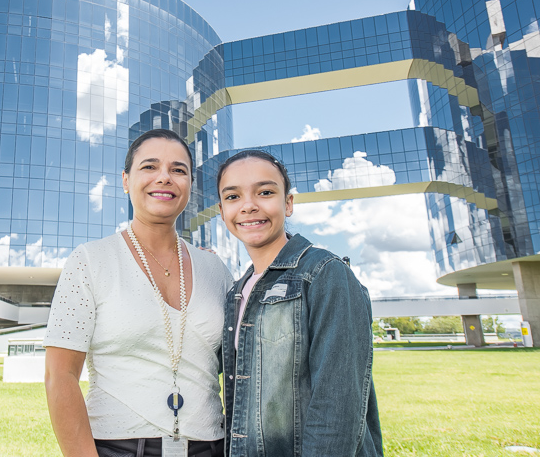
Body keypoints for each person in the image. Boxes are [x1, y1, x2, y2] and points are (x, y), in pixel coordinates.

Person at [44, 129, 232, 457]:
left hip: (212, 446)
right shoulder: (90, 260)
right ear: (125, 179)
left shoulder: (216, 271)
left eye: (178, 170)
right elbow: (60, 375)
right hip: (119, 447)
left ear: (190, 183)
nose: (164, 178)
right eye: (149, 167)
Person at [216, 150, 382, 456]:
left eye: (265, 192)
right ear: (222, 210)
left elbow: (337, 404)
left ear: (288, 203)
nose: (249, 205)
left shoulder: (324, 273)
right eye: (233, 196)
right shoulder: (237, 291)